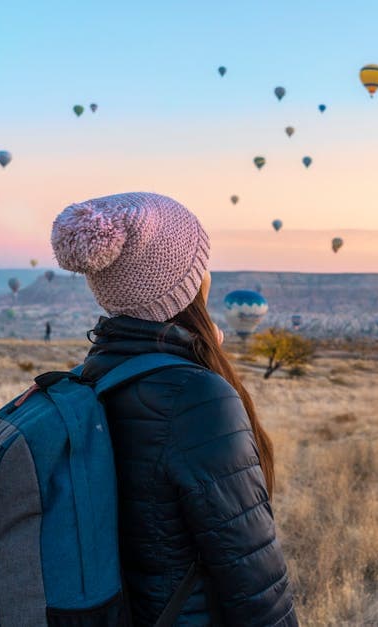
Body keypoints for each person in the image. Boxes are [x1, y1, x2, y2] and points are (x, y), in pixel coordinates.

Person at [50, 192, 296, 626]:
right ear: (186, 281)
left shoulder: (95, 376)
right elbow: (253, 576)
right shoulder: (195, 396)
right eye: (201, 263)